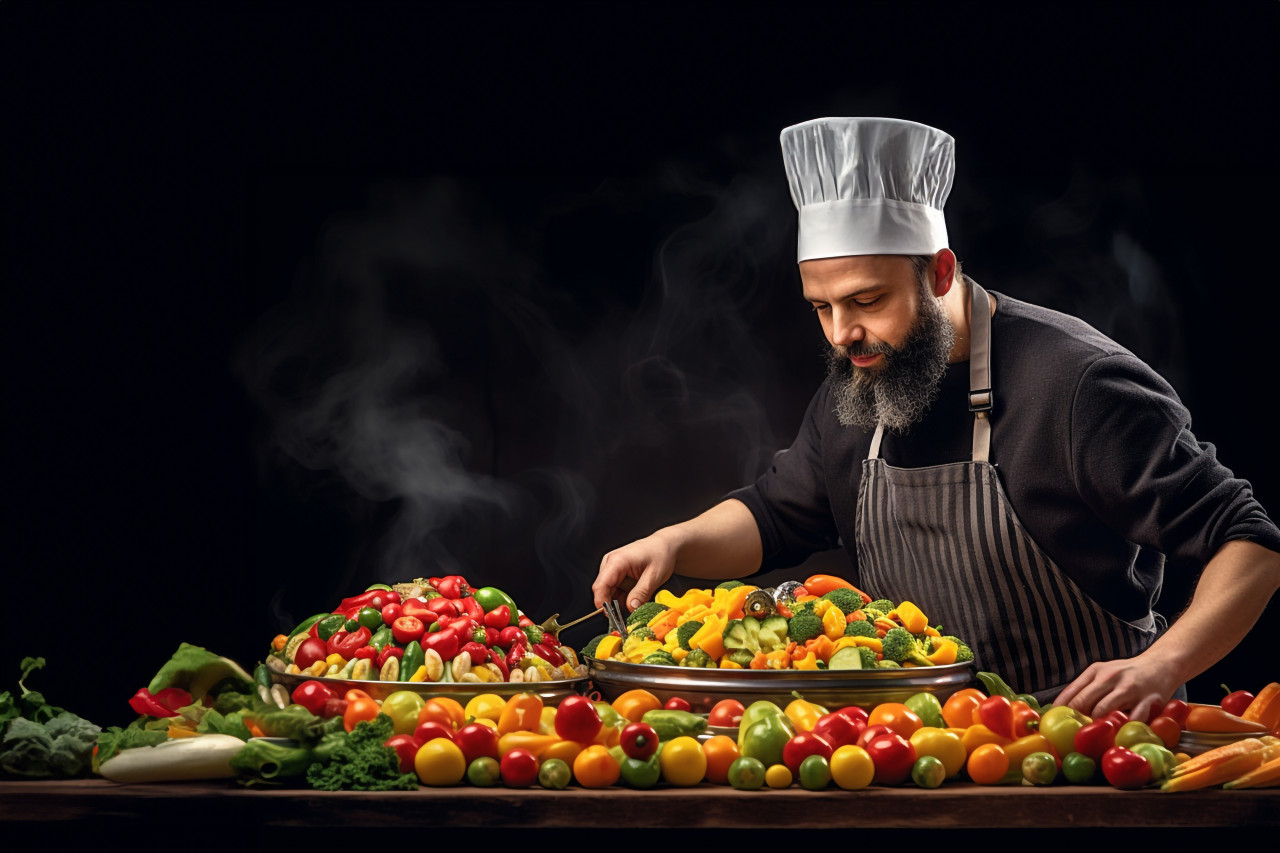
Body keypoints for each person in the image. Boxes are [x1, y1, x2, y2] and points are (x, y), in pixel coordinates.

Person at [591, 116, 1280, 720]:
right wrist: (676, 543)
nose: (841, 334)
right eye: (821, 307)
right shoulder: (861, 385)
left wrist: (1162, 664)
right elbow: (776, 515)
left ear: (942, 271)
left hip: (1092, 759)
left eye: (865, 300)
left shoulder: (1077, 384)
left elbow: (1252, 542)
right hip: (921, 760)